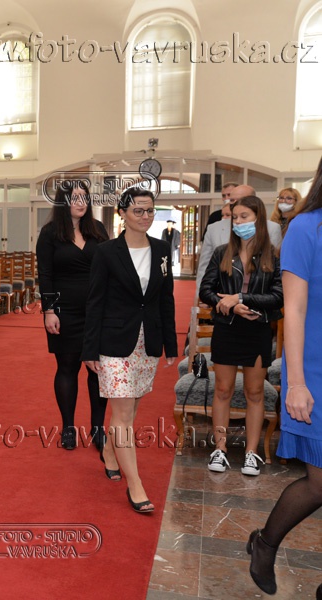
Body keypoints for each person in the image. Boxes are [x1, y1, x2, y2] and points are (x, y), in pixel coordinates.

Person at [247, 160, 322, 597]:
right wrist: (295, 383)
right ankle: (266, 542)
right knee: (320, 482)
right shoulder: (306, 228)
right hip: (315, 369)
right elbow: (292, 308)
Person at [83, 188, 177, 514]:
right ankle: (134, 484)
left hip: (147, 341)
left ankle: (110, 452)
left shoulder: (162, 249)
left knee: (131, 410)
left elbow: (166, 298)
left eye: (150, 210)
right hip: (114, 343)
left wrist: (170, 344)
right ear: (122, 213)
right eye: (138, 211)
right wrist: (89, 349)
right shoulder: (106, 252)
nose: (145, 216)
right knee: (123, 414)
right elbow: (95, 302)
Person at [199, 196, 283, 476]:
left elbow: (278, 296)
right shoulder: (222, 252)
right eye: (235, 217)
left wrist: (242, 298)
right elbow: (206, 290)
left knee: (254, 393)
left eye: (244, 216)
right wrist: (231, 305)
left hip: (258, 331)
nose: (238, 222)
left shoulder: (273, 255)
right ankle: (220, 449)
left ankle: (251, 453)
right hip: (227, 328)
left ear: (258, 219)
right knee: (222, 390)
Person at [36, 181, 109, 451]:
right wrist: (49, 311)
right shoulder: (50, 233)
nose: (81, 202)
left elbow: (110, 267)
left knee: (98, 370)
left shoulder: (97, 229)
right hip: (64, 311)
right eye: (75, 198)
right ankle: (68, 427)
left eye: (84, 197)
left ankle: (98, 428)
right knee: (67, 367)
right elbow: (45, 275)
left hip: (98, 310)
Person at [196, 185, 282, 293]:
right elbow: (204, 266)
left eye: (241, 199)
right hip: (224, 297)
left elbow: (275, 270)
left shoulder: (272, 228)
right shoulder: (214, 229)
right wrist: (199, 294)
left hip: (261, 296)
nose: (236, 203)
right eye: (232, 200)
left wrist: (241, 299)